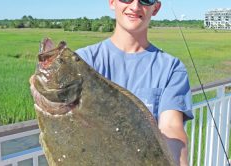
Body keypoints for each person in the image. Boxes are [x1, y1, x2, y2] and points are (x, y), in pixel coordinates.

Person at [75, 0, 193, 165]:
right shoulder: (82, 62)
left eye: (146, 0)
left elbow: (171, 128)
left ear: (156, 8)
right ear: (112, 2)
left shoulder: (171, 68)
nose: (135, 6)